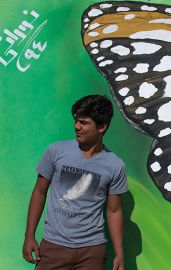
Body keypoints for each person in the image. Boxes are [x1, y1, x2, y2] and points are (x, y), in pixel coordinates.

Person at [23, 95, 128, 270]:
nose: (76, 127)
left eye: (84, 123)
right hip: (53, 247)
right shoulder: (55, 151)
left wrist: (119, 253)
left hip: (92, 252)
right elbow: (39, 192)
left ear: (102, 127)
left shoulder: (115, 165)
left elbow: (114, 210)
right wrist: (29, 236)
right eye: (76, 121)